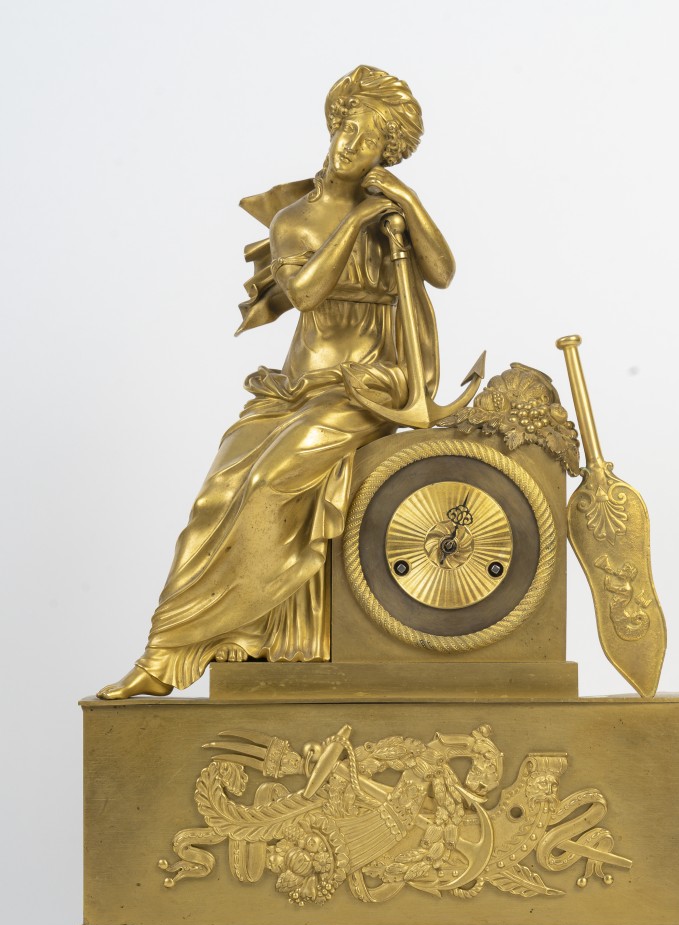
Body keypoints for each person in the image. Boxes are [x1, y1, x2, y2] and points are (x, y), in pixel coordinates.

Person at [98, 66, 454, 699]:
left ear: (385, 154)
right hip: (294, 389)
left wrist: (409, 203)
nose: (349, 145)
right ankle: (195, 640)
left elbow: (443, 272)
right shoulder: (295, 221)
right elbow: (306, 292)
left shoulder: (394, 216)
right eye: (346, 128)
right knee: (214, 494)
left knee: (266, 484)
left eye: (369, 140)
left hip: (368, 387)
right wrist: (357, 221)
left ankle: (175, 647)